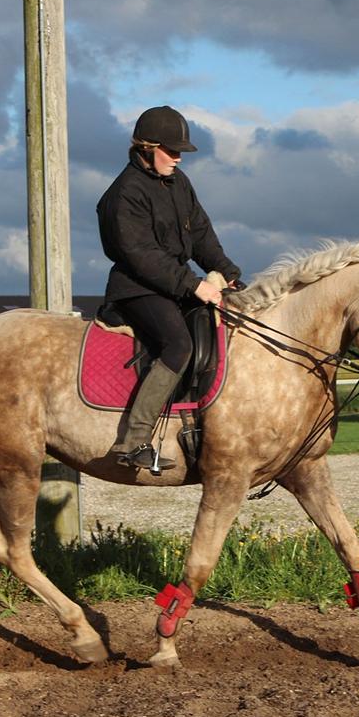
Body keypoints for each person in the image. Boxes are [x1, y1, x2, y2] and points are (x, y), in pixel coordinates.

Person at [97, 105, 242, 470]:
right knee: (178, 344)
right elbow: (140, 255)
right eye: (172, 151)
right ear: (147, 147)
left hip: (174, 285)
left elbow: (202, 235)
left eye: (180, 152)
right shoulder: (124, 194)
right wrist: (194, 285)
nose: (178, 158)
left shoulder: (179, 183)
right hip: (136, 287)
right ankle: (133, 441)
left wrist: (226, 271)